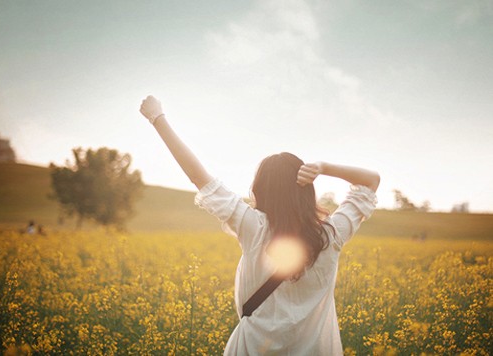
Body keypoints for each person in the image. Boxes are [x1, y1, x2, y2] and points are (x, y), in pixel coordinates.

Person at [139, 95, 380, 355]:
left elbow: (198, 176)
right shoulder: (331, 235)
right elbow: (371, 181)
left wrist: (157, 118)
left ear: (260, 190)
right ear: (307, 190)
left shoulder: (254, 227)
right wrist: (323, 167)